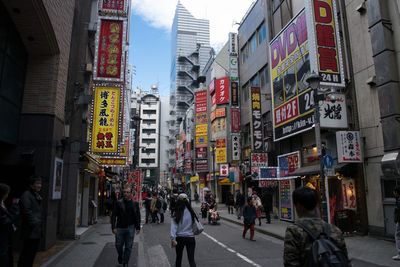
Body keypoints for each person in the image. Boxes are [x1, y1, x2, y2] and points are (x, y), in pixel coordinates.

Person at [283, 187, 350, 266]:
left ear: (298, 206)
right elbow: (344, 259)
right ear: (316, 204)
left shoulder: (294, 230)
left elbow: (290, 263)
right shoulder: (334, 230)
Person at [111, 187, 141, 267]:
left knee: (128, 247)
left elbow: (137, 216)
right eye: (124, 192)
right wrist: (113, 227)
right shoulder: (118, 203)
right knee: (118, 245)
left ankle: (125, 262)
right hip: (120, 227)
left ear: (131, 193)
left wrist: (138, 227)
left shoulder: (135, 204)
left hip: (131, 227)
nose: (126, 194)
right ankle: (120, 256)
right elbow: (114, 215)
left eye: (128, 192)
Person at [18, 176, 43, 267]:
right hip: (30, 231)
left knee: (31, 253)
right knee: (27, 253)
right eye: (37, 183)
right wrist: (35, 224)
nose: (40, 185)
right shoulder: (26, 195)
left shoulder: (35, 195)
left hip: (35, 231)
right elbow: (27, 211)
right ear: (31, 185)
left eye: (40, 183)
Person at [170, 193, 197, 267]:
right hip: (190, 237)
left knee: (178, 258)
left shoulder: (176, 212)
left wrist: (173, 238)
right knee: (191, 259)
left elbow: (173, 227)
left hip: (179, 238)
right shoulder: (191, 212)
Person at [0, 183, 19, 267]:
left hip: (5, 236)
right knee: (3, 258)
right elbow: (5, 221)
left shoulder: (2, 203)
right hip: (1, 237)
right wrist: (15, 207)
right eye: (7, 193)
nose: (7, 195)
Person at [393, 186, 400, 260]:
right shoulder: (397, 200)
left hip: (399, 221)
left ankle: (399, 254)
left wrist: (397, 220)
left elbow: (398, 212)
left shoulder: (399, 201)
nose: (393, 193)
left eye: (394, 192)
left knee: (397, 236)